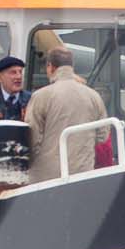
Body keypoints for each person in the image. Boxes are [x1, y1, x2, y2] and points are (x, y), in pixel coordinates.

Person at [24, 47, 109, 183]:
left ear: (50, 67)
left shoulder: (41, 96)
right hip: (82, 174)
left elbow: (31, 138)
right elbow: (102, 136)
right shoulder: (93, 96)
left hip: (46, 178)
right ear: (71, 67)